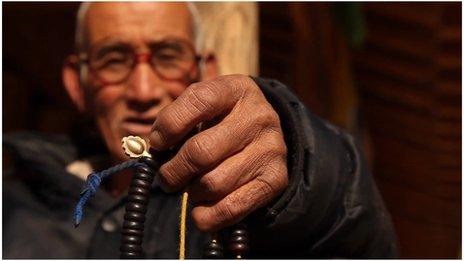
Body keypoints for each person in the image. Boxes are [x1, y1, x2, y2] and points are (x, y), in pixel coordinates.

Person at [3, 2, 398, 258]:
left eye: (168, 55)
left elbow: (358, 238)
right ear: (77, 83)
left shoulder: (246, 211)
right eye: (114, 59)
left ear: (206, 70)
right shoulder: (14, 201)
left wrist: (298, 168)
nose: (143, 90)